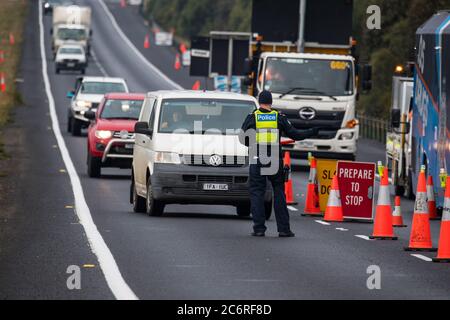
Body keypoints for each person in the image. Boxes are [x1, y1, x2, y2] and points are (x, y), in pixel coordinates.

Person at [239, 90, 319, 237]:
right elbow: (296, 134)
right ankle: (283, 229)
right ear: (271, 102)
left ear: (259, 101)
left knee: (257, 193)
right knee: (279, 193)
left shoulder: (252, 117)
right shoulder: (279, 117)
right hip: (275, 160)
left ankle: (259, 229)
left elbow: (242, 138)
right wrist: (312, 131)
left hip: (257, 158)